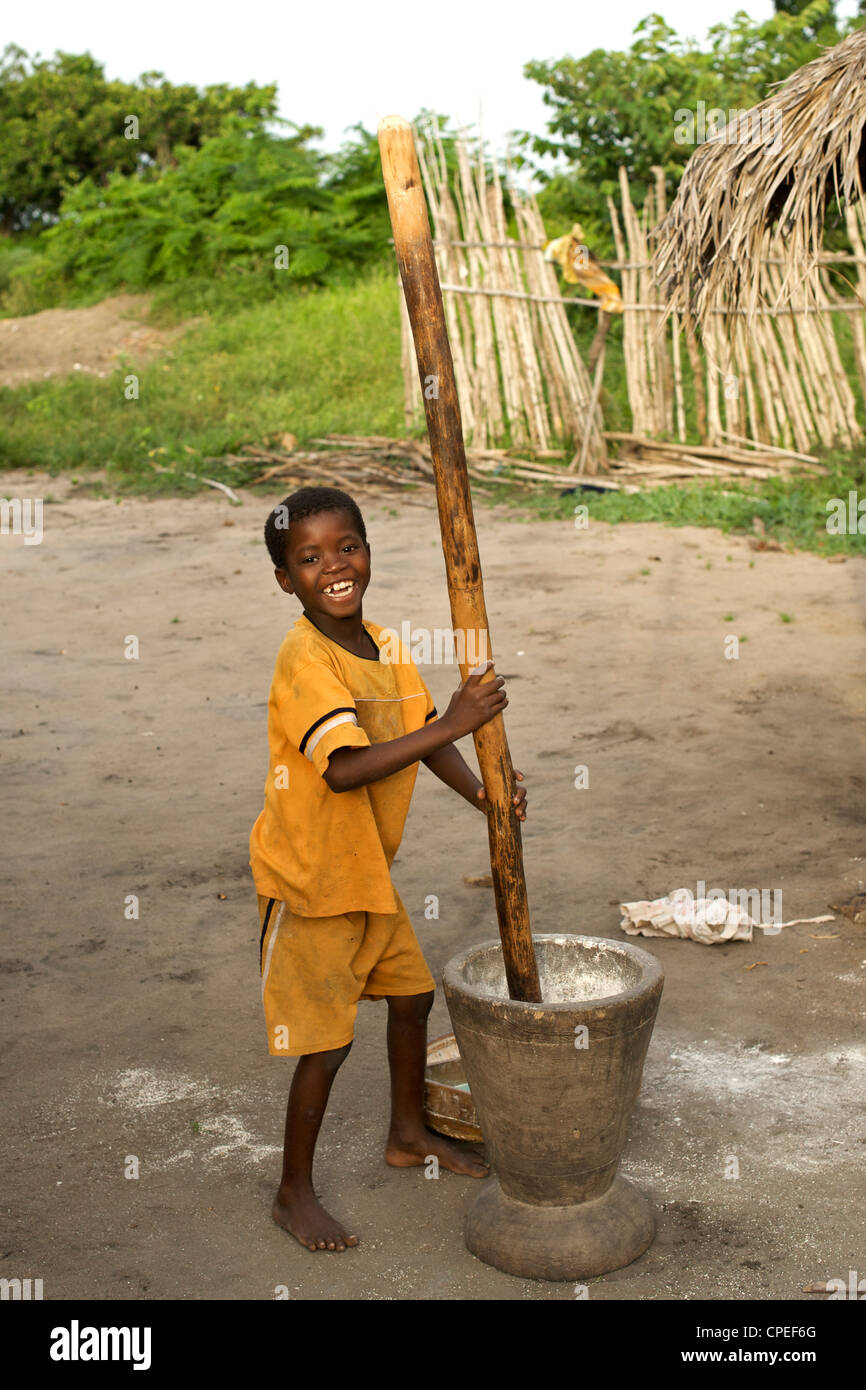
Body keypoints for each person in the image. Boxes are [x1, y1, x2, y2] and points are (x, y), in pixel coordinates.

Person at [249, 485, 527, 1254]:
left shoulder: (384, 643)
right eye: (308, 558)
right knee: (327, 1044)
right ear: (285, 581)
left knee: (412, 997)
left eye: (347, 547)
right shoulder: (303, 657)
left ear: (368, 549)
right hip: (312, 881)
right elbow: (344, 769)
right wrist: (458, 719)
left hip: (365, 871)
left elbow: (422, 734)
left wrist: (482, 794)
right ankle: (292, 1192)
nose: (333, 566)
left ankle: (408, 1135)